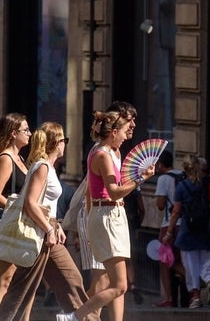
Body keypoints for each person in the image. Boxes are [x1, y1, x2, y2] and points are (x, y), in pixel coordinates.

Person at [55, 110, 155, 321]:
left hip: (109, 214)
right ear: (114, 132)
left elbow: (94, 192)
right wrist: (141, 179)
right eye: (126, 129)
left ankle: (76, 316)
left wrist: (91, 224)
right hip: (109, 214)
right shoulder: (102, 154)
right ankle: (74, 316)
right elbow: (113, 191)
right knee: (119, 285)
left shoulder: (105, 152)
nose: (129, 133)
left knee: (114, 282)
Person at [0, 122, 100, 321]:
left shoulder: (48, 167)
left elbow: (45, 204)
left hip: (48, 233)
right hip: (39, 234)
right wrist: (49, 229)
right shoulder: (42, 166)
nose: (65, 145)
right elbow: (30, 203)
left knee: (71, 280)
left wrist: (56, 225)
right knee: (20, 291)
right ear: (55, 143)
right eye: (64, 140)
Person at [0, 113, 30, 319]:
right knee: (4, 279)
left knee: (15, 278)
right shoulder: (6, 158)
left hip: (17, 222)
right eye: (25, 130)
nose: (30, 133)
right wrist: (17, 208)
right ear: (13, 133)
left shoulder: (20, 158)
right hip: (6, 222)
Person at [162, 155, 210, 308]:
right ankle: (209, 280)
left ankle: (195, 297)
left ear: (185, 169)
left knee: (190, 264)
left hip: (188, 229)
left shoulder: (182, 186)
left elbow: (176, 211)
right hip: (206, 228)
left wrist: (169, 232)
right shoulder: (207, 183)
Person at [153, 149, 185, 307]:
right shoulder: (182, 174)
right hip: (184, 224)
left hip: (169, 225)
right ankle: (193, 288)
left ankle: (169, 297)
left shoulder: (163, 179)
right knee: (179, 258)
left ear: (160, 164)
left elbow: (160, 205)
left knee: (165, 261)